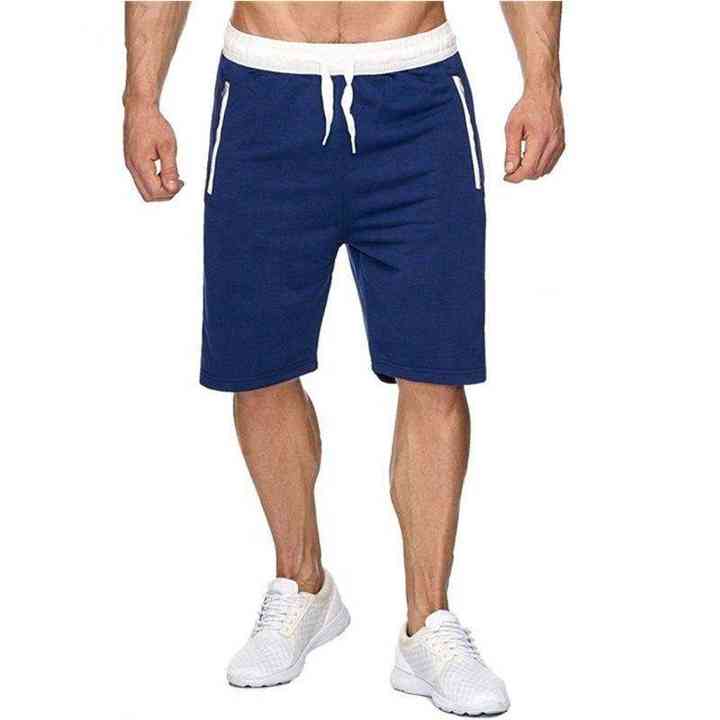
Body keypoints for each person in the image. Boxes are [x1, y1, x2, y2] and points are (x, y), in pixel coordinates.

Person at [123, 1, 564, 715]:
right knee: (258, 365)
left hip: (417, 93)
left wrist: (542, 82)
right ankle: (303, 585)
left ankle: (428, 623)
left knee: (436, 366)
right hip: (265, 91)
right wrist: (141, 98)